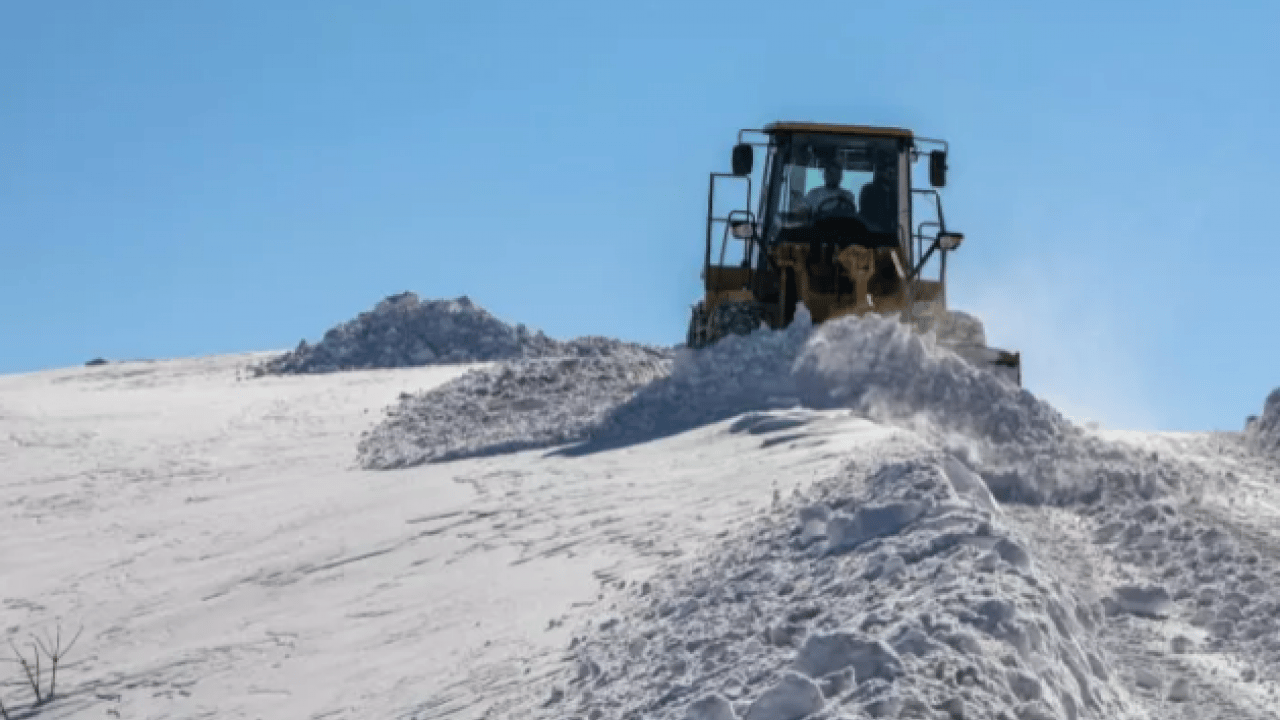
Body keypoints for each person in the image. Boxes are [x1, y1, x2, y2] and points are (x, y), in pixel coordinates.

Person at [859, 155, 896, 232]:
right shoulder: (868, 190)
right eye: (881, 169)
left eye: (891, 170)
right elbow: (864, 214)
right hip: (871, 234)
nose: (888, 173)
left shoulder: (897, 194)